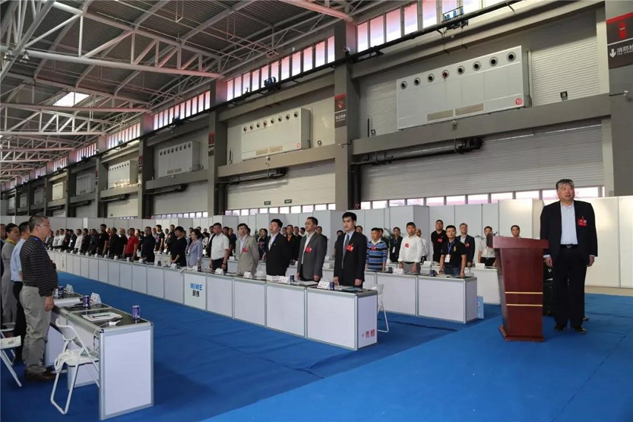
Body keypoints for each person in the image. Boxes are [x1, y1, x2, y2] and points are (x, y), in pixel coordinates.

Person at [540, 179, 597, 334]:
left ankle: (577, 323)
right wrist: (546, 254)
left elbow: (591, 232)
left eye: (570, 188)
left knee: (577, 289)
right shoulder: (549, 210)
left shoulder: (585, 207)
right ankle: (560, 322)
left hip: (579, 253)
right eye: (564, 188)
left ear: (574, 190)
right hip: (558, 254)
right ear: (557, 192)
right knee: (559, 288)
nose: (567, 191)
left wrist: (591, 253)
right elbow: (544, 233)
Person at [20, 216, 57, 381]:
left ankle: (30, 363)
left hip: (32, 291)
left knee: (32, 330)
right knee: (38, 332)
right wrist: (48, 295)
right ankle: (35, 369)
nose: (50, 228)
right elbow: (40, 274)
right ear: (37, 227)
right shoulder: (35, 246)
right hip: (37, 293)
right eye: (47, 225)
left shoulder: (31, 244)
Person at [11, 221, 29, 362]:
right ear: (26, 232)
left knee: (22, 318)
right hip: (22, 285)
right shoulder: (22, 247)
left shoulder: (21, 246)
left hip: (20, 285)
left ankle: (20, 349)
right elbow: (23, 273)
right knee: (23, 320)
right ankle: (21, 351)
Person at [334, 212, 367, 287]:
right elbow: (338, 258)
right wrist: (336, 274)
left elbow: (361, 259)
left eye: (348, 221)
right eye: (344, 221)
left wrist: (359, 276)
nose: (345, 224)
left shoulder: (360, 238)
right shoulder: (340, 238)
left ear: (354, 222)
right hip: (341, 275)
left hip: (354, 276)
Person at [297, 217, 326, 282]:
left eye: (308, 223)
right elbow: (301, 255)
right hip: (302, 270)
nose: (306, 225)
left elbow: (320, 257)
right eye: (305, 224)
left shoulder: (319, 239)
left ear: (314, 226)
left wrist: (317, 273)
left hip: (312, 272)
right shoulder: (303, 239)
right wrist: (298, 270)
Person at [2, 223, 19, 324]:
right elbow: (15, 263)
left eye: (18, 232)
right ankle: (8, 326)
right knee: (9, 304)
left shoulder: (14, 245)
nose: (17, 234)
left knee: (14, 303)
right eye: (15, 232)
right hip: (9, 278)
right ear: (8, 233)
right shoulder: (8, 246)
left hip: (13, 276)